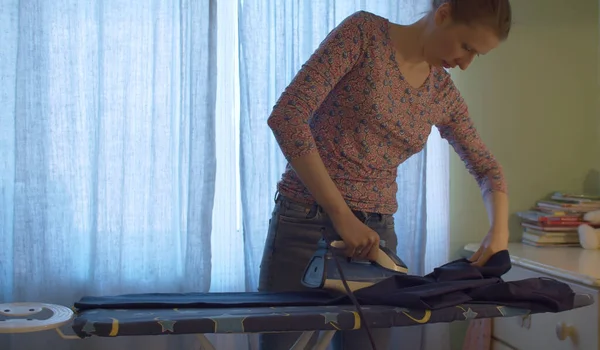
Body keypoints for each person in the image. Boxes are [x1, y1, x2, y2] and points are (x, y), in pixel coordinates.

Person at [258, 0, 512, 349]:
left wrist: (498, 233)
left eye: (476, 56)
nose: (465, 64)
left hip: (374, 242)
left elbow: (486, 168)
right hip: (305, 224)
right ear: (443, 14)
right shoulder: (363, 35)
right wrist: (341, 216)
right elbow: (287, 117)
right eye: (466, 46)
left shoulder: (442, 93)